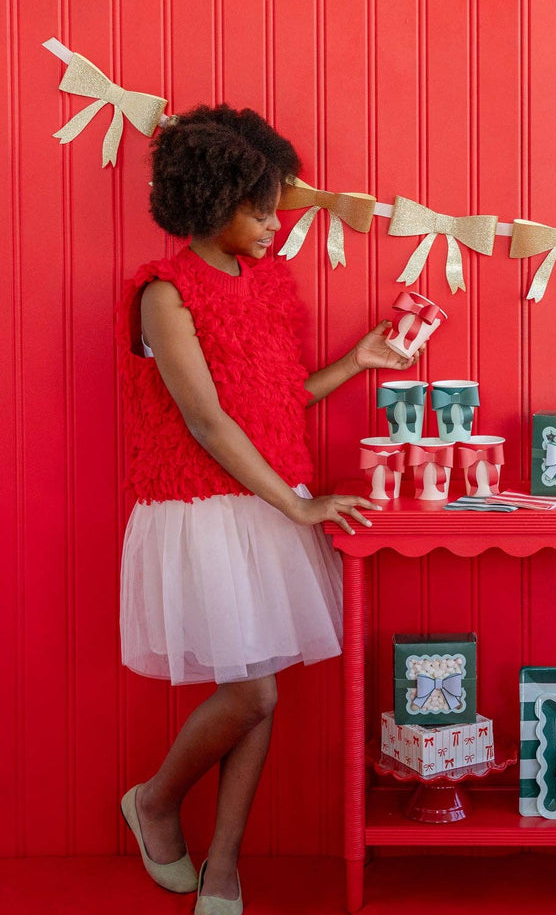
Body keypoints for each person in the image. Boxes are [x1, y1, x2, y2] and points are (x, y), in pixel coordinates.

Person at [116, 105, 414, 914]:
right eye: (256, 207)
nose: (272, 224)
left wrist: (357, 361)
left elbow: (275, 399)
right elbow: (208, 423)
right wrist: (304, 507)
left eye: (275, 205)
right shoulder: (164, 296)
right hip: (204, 509)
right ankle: (152, 802)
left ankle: (222, 863)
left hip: (265, 506)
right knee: (255, 693)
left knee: (261, 691)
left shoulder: (269, 283)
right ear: (209, 202)